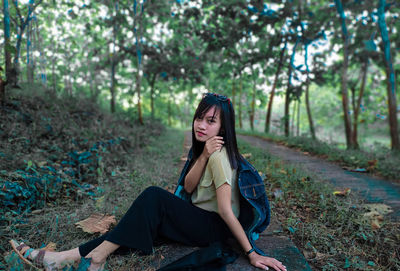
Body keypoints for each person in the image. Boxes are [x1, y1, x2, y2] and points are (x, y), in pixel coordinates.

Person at [10, 93, 287, 271]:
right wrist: (202, 155)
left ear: (224, 128)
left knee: (153, 197)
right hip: (201, 221)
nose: (201, 125)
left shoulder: (220, 157)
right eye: (199, 118)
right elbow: (189, 188)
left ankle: (95, 258)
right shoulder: (207, 152)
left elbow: (226, 211)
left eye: (211, 121)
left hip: (213, 228)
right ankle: (60, 258)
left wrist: (251, 253)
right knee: (136, 228)